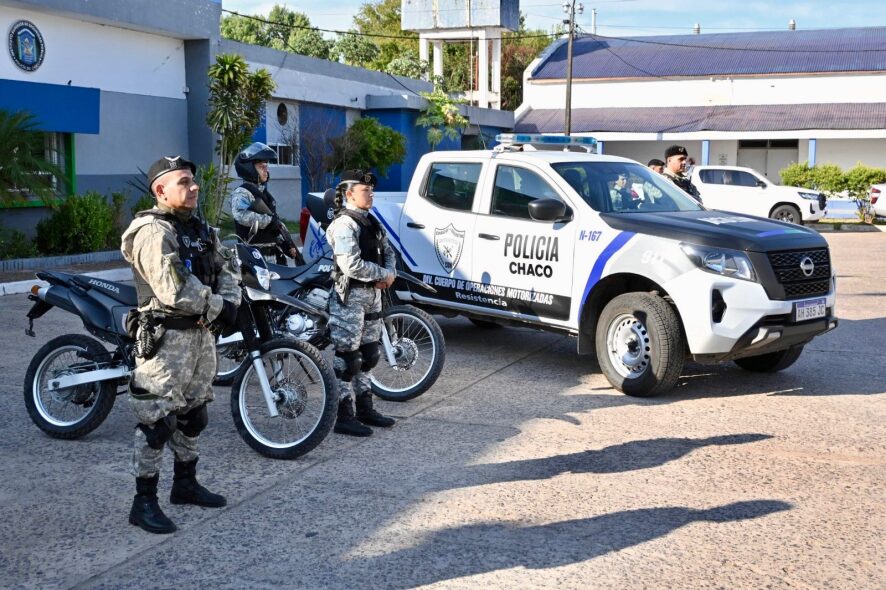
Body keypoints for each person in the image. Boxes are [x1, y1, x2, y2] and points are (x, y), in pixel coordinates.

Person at [120, 156, 241, 534]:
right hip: (167, 338)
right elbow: (172, 289)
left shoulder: (201, 230)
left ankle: (185, 484)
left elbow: (227, 269)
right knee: (157, 423)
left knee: (194, 415)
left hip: (200, 336)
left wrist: (229, 300)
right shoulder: (152, 231)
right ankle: (144, 503)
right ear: (160, 190)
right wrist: (222, 305)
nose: (194, 187)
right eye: (184, 182)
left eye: (194, 181)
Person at [325, 170, 397, 437]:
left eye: (371, 190)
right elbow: (350, 264)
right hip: (350, 298)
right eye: (365, 190)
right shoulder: (344, 224)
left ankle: (365, 408)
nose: (371, 194)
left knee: (369, 355)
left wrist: (390, 275)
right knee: (348, 358)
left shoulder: (371, 222)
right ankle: (343, 415)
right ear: (349, 194)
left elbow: (388, 253)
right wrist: (383, 275)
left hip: (373, 296)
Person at [230, 142, 302, 265]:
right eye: (261, 167)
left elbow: (274, 226)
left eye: (266, 167)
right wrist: (268, 220)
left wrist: (285, 245)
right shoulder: (242, 193)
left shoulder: (264, 193)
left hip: (273, 257)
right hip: (253, 258)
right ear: (249, 168)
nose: (266, 170)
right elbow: (241, 216)